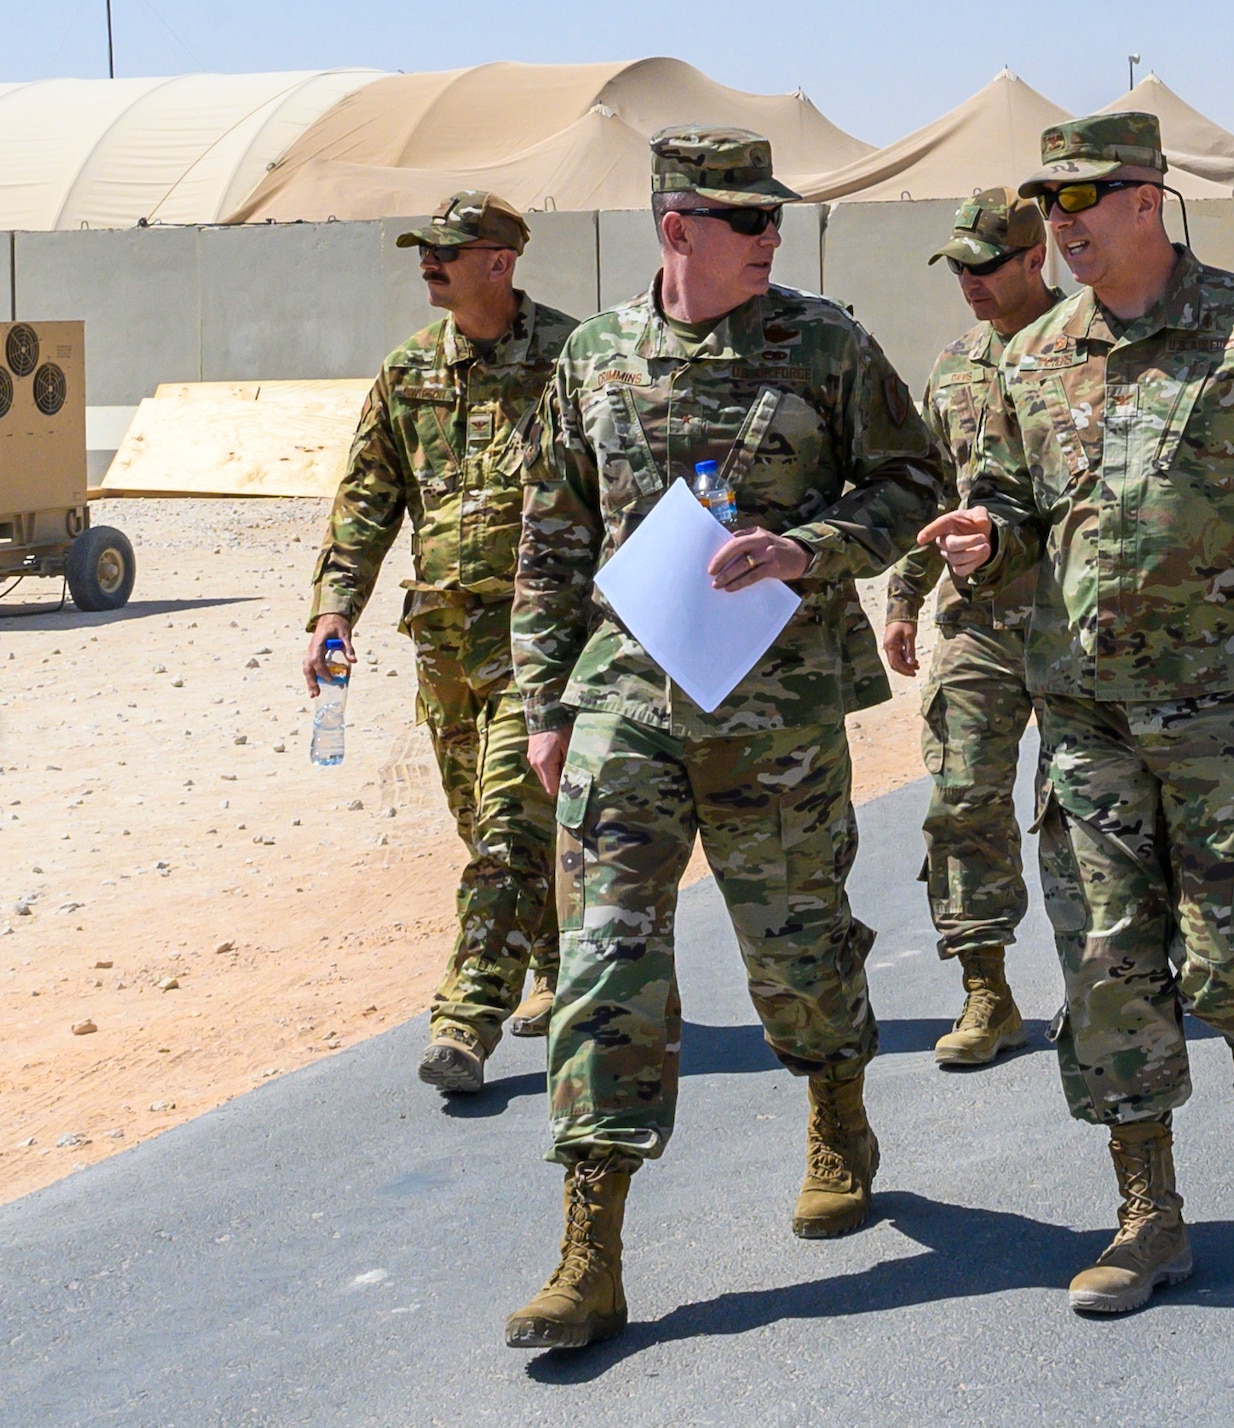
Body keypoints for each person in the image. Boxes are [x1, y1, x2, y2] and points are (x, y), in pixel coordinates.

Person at [502, 126, 943, 1350]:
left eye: (775, 220)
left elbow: (913, 482)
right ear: (675, 226)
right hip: (626, 705)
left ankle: (836, 1109)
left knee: (796, 952)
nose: (767, 239)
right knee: (605, 959)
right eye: (743, 221)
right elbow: (547, 542)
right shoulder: (593, 360)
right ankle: (590, 1244)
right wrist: (545, 705)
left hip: (776, 712)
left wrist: (814, 548)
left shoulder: (828, 345)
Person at [922, 113, 1234, 1315]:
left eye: (1084, 199)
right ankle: (1147, 1213)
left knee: (1228, 961)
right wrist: (984, 540)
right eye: (1047, 204)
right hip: (1085, 713)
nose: (1060, 223)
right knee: (1106, 963)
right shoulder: (1030, 360)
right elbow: (1015, 519)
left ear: (1147, 199)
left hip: (1225, 707)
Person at [302, 190, 575, 1093]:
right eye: (424, 248)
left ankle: (464, 1021)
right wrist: (334, 612)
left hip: (538, 640)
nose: (430, 261)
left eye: (449, 250)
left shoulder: (572, 361)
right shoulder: (409, 370)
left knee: (507, 831)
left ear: (500, 261)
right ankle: (565, 967)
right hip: (443, 648)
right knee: (486, 832)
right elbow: (368, 499)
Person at [880, 189, 1060, 1068]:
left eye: (985, 266)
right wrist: (903, 598)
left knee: (1094, 812)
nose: (969, 283)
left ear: (1036, 259)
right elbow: (930, 495)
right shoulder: (952, 368)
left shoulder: (1091, 347)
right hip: (977, 623)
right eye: (957, 268)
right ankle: (986, 990)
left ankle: (1123, 978)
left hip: (1074, 617)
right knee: (961, 801)